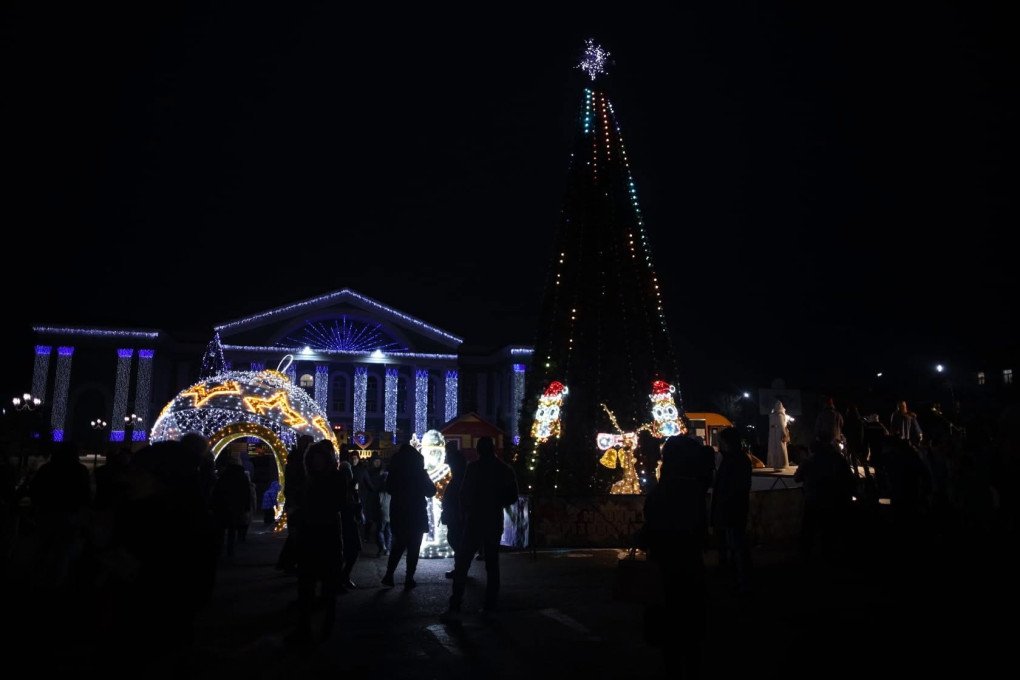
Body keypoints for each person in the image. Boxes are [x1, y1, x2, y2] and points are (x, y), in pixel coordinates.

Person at [637, 435, 711, 677]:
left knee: (670, 625)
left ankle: (673, 664)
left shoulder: (662, 490)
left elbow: (651, 525)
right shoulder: (695, 489)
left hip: (665, 565)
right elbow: (701, 529)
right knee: (690, 627)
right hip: (690, 564)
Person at [444, 436, 519, 618]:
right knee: (492, 564)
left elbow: (464, 494)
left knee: (463, 562)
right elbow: (512, 496)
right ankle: (490, 605)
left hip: (475, 519)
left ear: (478, 450)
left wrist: (466, 510)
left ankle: (455, 605)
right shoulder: (504, 469)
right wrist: (496, 502)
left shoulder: (473, 468)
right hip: (493, 518)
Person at [287, 440, 345, 645]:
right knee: (306, 585)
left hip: (327, 536)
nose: (317, 462)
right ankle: (304, 628)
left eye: (320, 459)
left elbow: (340, 504)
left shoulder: (335, 479)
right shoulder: (307, 480)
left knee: (328, 588)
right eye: (313, 459)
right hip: (308, 538)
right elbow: (298, 504)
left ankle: (326, 629)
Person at [381, 443, 436, 589]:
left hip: (399, 511)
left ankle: (389, 575)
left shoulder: (395, 472)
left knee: (398, 545)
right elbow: (431, 491)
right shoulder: (419, 472)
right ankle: (409, 578)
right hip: (417, 512)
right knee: (414, 547)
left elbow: (389, 489)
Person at [712, 428, 753, 595]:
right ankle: (738, 580)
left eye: (720, 441)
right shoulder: (736, 459)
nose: (719, 445)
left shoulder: (735, 461)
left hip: (731, 510)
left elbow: (731, 487)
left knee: (737, 545)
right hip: (733, 509)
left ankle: (742, 583)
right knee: (735, 545)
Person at [441, 441, 467, 579]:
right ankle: (461, 568)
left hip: (457, 514)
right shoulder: (459, 476)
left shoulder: (459, 478)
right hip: (456, 513)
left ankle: (461, 569)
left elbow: (456, 497)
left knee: (456, 539)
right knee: (456, 540)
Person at [767, 401, 791, 469]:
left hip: (773, 433)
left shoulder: (772, 415)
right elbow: (782, 425)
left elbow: (771, 425)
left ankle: (775, 463)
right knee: (780, 448)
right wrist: (784, 433)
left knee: (774, 447)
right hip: (779, 433)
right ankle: (781, 463)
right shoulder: (781, 415)